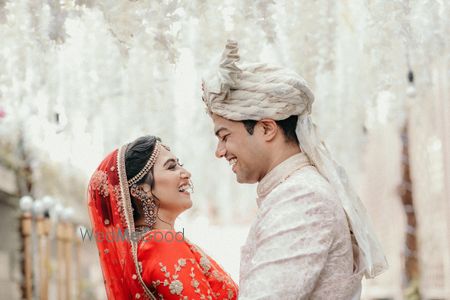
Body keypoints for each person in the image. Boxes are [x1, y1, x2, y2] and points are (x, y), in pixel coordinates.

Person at [201, 40, 388, 299]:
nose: (220, 151)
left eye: (224, 136)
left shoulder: (302, 199)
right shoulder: (291, 191)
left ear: (267, 129)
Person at [87, 136, 238, 299]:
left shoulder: (141, 247)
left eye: (180, 165)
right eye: (172, 167)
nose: (187, 173)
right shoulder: (161, 243)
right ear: (141, 190)